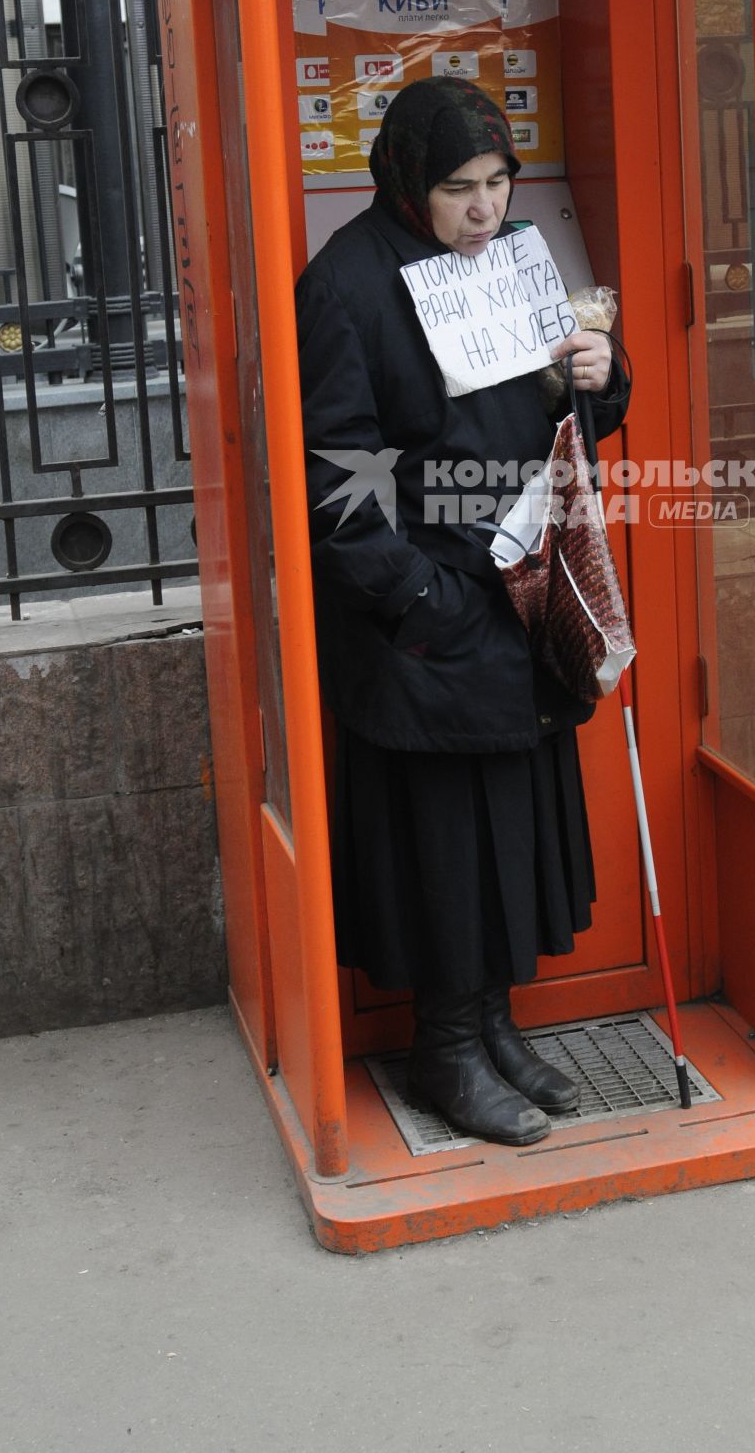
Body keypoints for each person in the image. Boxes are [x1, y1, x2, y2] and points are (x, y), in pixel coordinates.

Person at [295, 78, 630, 1147]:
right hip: (427, 608)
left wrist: (596, 376)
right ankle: (443, 1049)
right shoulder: (345, 284)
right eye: (458, 190)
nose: (484, 211)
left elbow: (569, 415)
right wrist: (419, 599)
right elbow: (335, 475)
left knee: (507, 832)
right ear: (406, 179)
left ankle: (493, 1027)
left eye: (498, 185)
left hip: (518, 583)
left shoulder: (517, 256)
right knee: (442, 842)